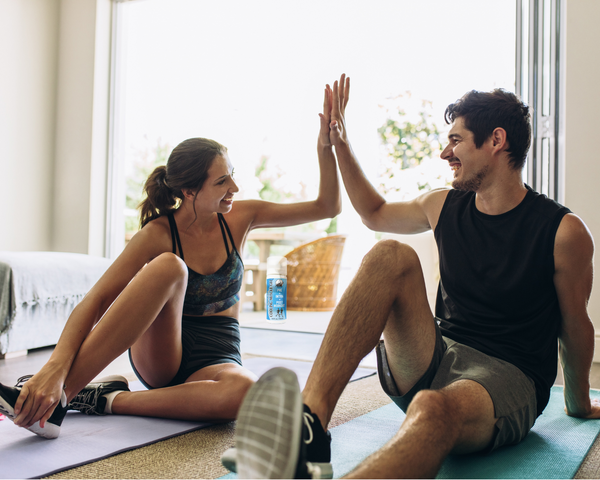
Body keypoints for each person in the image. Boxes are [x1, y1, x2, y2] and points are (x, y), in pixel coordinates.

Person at [230, 74, 599, 479]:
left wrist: (578, 403)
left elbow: (575, 324)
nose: (445, 153)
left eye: (456, 140)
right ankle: (308, 427)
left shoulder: (563, 231)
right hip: (434, 354)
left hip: (507, 378)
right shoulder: (443, 205)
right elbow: (374, 213)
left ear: (496, 141)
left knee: (432, 409)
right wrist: (341, 144)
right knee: (391, 253)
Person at [0, 85, 341, 440]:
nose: (235, 187)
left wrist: (325, 146)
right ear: (189, 191)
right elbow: (97, 300)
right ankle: (61, 395)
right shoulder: (159, 234)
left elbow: (327, 207)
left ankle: (103, 400)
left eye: (232, 175)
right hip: (163, 352)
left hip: (219, 352)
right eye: (222, 181)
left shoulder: (242, 217)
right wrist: (55, 366)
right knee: (170, 266)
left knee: (247, 393)